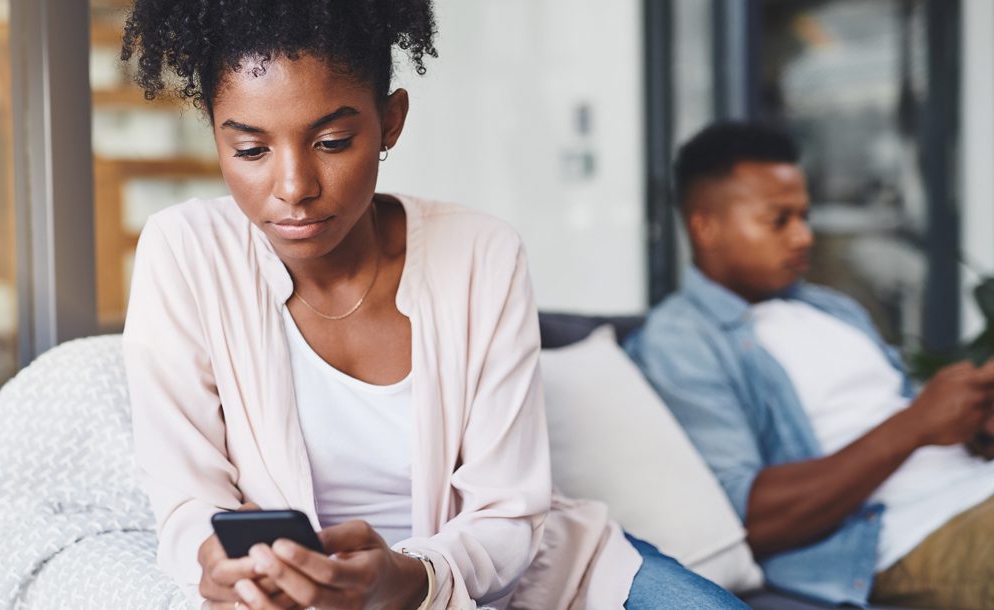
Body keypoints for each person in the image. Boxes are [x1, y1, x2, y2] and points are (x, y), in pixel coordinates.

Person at [120, 1, 747, 608]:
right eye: (251, 150)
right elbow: (187, 504)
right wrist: (218, 559)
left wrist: (411, 576)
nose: (294, 188)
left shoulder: (480, 252)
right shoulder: (185, 255)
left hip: (528, 578)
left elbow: (508, 514)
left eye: (333, 141)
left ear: (390, 121)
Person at [628, 121, 994, 609]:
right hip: (910, 535)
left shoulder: (832, 308)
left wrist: (975, 425)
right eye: (778, 220)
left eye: (804, 216)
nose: (803, 237)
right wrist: (917, 424)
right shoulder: (680, 340)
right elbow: (746, 520)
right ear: (705, 227)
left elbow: (906, 422)